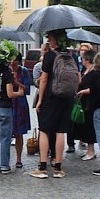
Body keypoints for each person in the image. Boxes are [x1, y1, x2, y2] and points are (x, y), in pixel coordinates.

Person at [31, 30, 76, 179]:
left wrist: (40, 100)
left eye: (50, 37)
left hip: (51, 96)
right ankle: (58, 168)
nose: (48, 39)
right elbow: (78, 78)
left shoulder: (50, 56)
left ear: (55, 39)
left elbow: (44, 79)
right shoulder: (71, 55)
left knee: (44, 130)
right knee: (61, 131)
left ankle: (43, 168)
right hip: (67, 97)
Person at [0, 47, 24, 174]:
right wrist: (20, 93)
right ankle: (4, 166)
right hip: (4, 108)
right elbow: (9, 94)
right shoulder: (7, 73)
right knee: (5, 138)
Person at [72, 49, 98, 161]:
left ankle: (91, 151)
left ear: (87, 59)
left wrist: (83, 91)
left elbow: (95, 88)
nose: (81, 60)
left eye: (83, 58)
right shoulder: (86, 71)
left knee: (89, 127)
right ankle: (90, 151)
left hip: (89, 103)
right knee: (86, 126)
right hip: (84, 102)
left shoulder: (94, 72)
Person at [11, 53, 32, 169]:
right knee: (6, 132)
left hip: (20, 104)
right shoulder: (6, 71)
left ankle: (18, 159)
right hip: (8, 104)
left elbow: (27, 89)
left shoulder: (23, 71)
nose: (12, 63)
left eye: (14, 60)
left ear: (19, 61)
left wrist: (16, 82)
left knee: (19, 133)